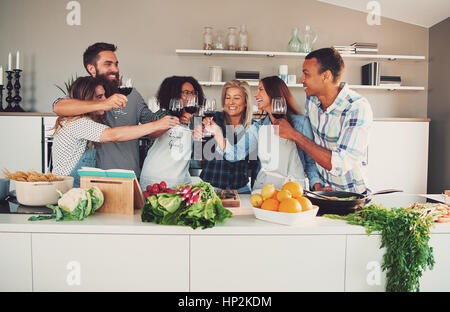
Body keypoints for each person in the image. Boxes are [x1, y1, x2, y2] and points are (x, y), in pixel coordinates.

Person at [273, 48, 373, 193]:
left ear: (326, 76)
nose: (302, 79)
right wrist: (317, 184)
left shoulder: (357, 108)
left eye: (306, 74)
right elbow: (312, 148)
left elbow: (340, 163)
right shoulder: (312, 100)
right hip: (323, 192)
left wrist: (294, 134)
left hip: (352, 195)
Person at [53, 42, 159, 178]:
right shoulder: (83, 96)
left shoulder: (132, 95)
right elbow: (59, 107)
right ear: (91, 68)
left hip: (129, 177)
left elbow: (152, 129)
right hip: (94, 179)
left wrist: (172, 121)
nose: (115, 69)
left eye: (116, 64)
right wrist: (104, 104)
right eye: (108, 64)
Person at [201, 76, 324, 191]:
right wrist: (217, 133)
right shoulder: (258, 127)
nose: (255, 95)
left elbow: (310, 163)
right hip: (265, 190)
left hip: (293, 190)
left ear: (273, 93)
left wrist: (318, 188)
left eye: (261, 90)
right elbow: (234, 155)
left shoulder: (300, 123)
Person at [52, 76, 178, 187]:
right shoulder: (77, 122)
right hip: (65, 189)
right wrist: (157, 124)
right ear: (87, 98)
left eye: (105, 95)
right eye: (100, 96)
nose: (106, 100)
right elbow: (113, 134)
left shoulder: (86, 120)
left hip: (74, 187)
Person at [139, 76, 205, 190]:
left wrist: (198, 132)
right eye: (186, 92)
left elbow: (199, 156)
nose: (191, 96)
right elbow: (151, 134)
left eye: (193, 93)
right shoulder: (163, 115)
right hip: (156, 179)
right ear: (174, 94)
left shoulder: (196, 120)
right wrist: (176, 121)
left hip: (181, 180)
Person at [198, 80, 256, 194]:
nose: (231, 102)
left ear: (245, 102)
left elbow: (252, 162)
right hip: (211, 187)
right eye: (228, 97)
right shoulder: (213, 119)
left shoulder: (252, 127)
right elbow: (199, 156)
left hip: (240, 189)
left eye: (237, 98)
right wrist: (198, 136)